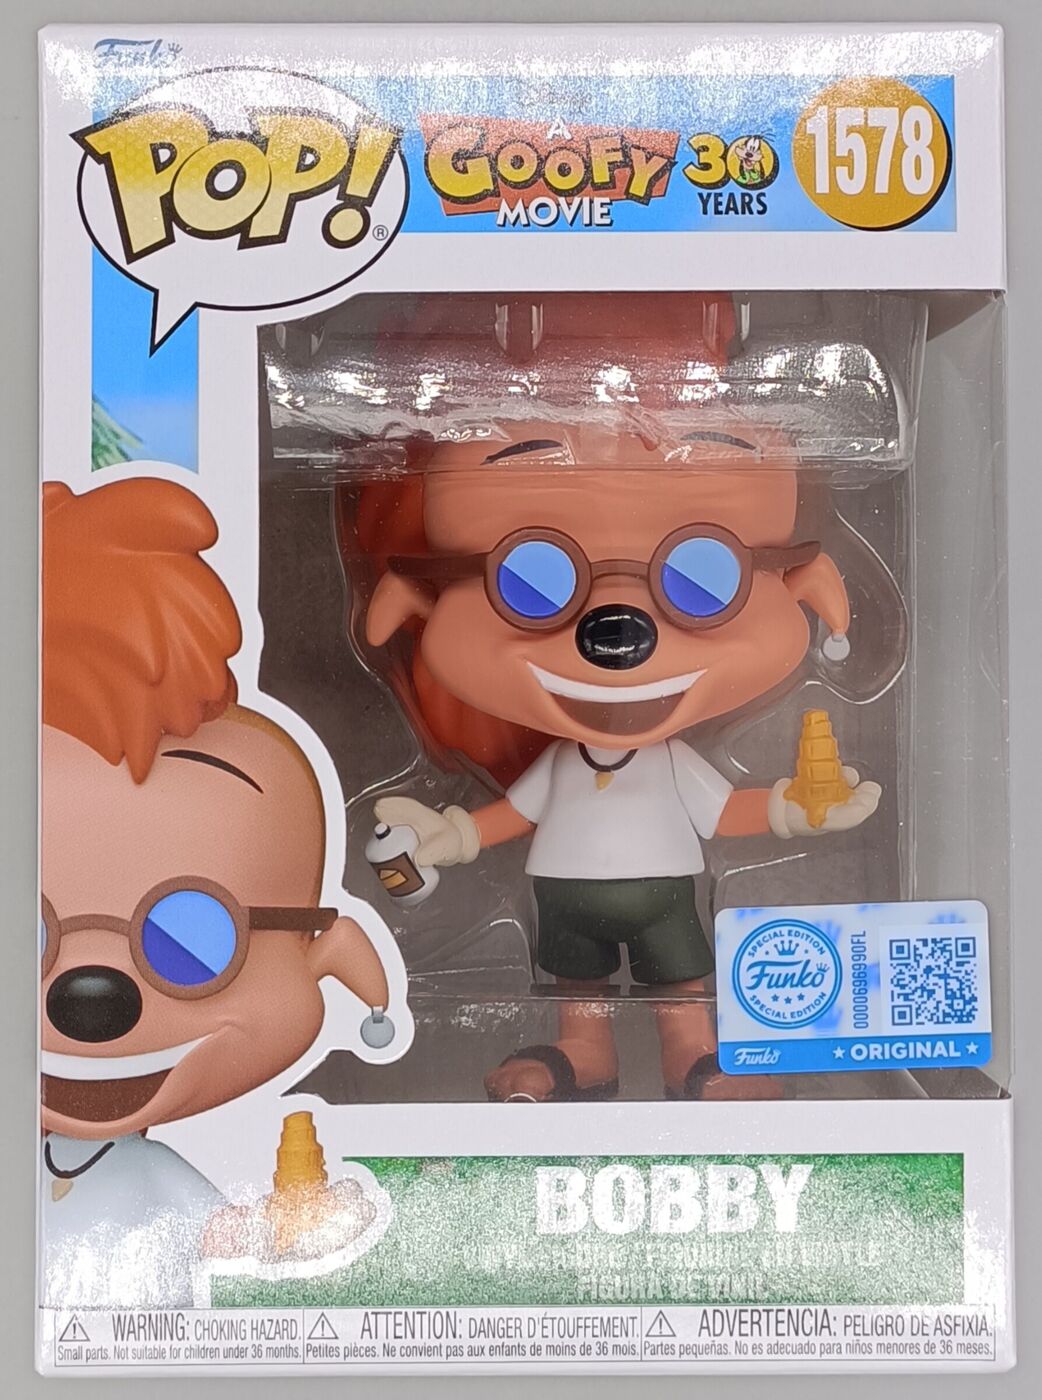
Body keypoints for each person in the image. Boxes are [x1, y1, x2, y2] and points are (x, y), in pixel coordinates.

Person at [365, 417, 879, 1103]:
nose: (618, 626)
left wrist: (798, 808)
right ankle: (584, 1052)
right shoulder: (561, 763)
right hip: (566, 896)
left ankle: (692, 1052)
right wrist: (451, 836)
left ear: (809, 587)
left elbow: (724, 811)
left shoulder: (668, 761)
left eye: (703, 577)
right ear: (416, 601)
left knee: (680, 982)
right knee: (577, 985)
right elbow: (513, 815)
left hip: (664, 895)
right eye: (532, 579)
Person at [41, 478, 401, 1306]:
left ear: (331, 957)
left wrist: (296, 1229)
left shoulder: (149, 1172)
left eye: (191, 941)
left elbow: (228, 1236)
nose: (88, 996)